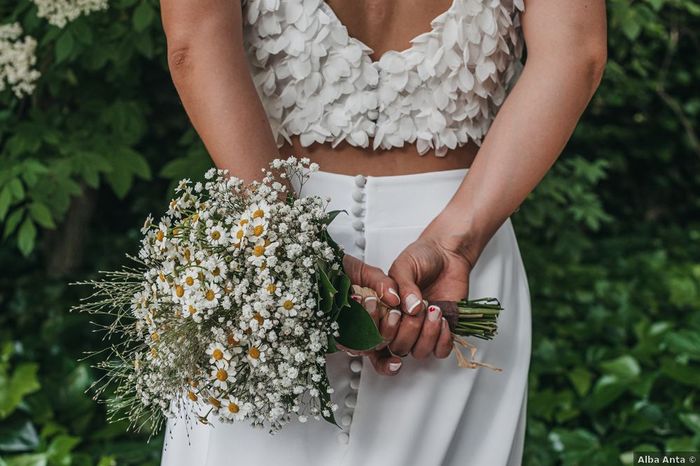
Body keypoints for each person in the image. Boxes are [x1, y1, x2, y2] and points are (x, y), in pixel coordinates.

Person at [157, 0, 607, 465]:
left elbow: (194, 45)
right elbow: (575, 52)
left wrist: (289, 248)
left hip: (267, 245)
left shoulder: (277, 241)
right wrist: (456, 243)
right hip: (459, 251)